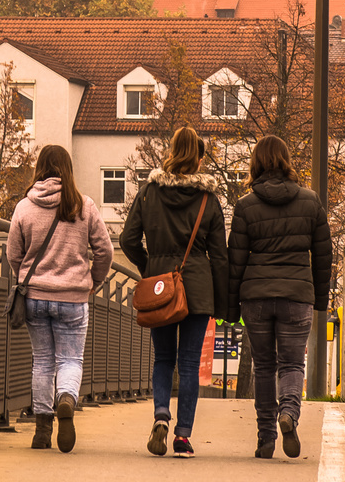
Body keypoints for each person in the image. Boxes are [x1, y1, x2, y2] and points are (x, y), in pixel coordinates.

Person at [119, 126, 228, 459]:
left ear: (170, 151)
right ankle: (183, 436)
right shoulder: (208, 198)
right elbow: (219, 254)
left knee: (164, 358)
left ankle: (161, 414)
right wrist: (222, 302)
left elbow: (127, 240)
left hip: (161, 286)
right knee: (190, 362)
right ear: (197, 156)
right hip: (196, 288)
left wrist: (150, 268)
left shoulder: (149, 191)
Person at [227, 135, 331, 460]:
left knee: (263, 367)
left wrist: (231, 304)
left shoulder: (245, 205)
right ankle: (288, 413)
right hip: (296, 294)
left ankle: (265, 439)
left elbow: (236, 261)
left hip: (255, 297)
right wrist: (320, 300)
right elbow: (324, 256)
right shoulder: (311, 201)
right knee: (291, 363)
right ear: (286, 161)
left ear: (256, 163)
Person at [7, 144, 113, 453]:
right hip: (73, 298)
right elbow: (104, 250)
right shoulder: (84, 205)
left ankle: (42, 430)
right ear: (68, 170)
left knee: (42, 361)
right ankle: (66, 398)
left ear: (40, 169)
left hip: (35, 296)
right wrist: (94, 280)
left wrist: (27, 276)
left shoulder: (24, 207)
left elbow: (13, 254)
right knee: (70, 359)